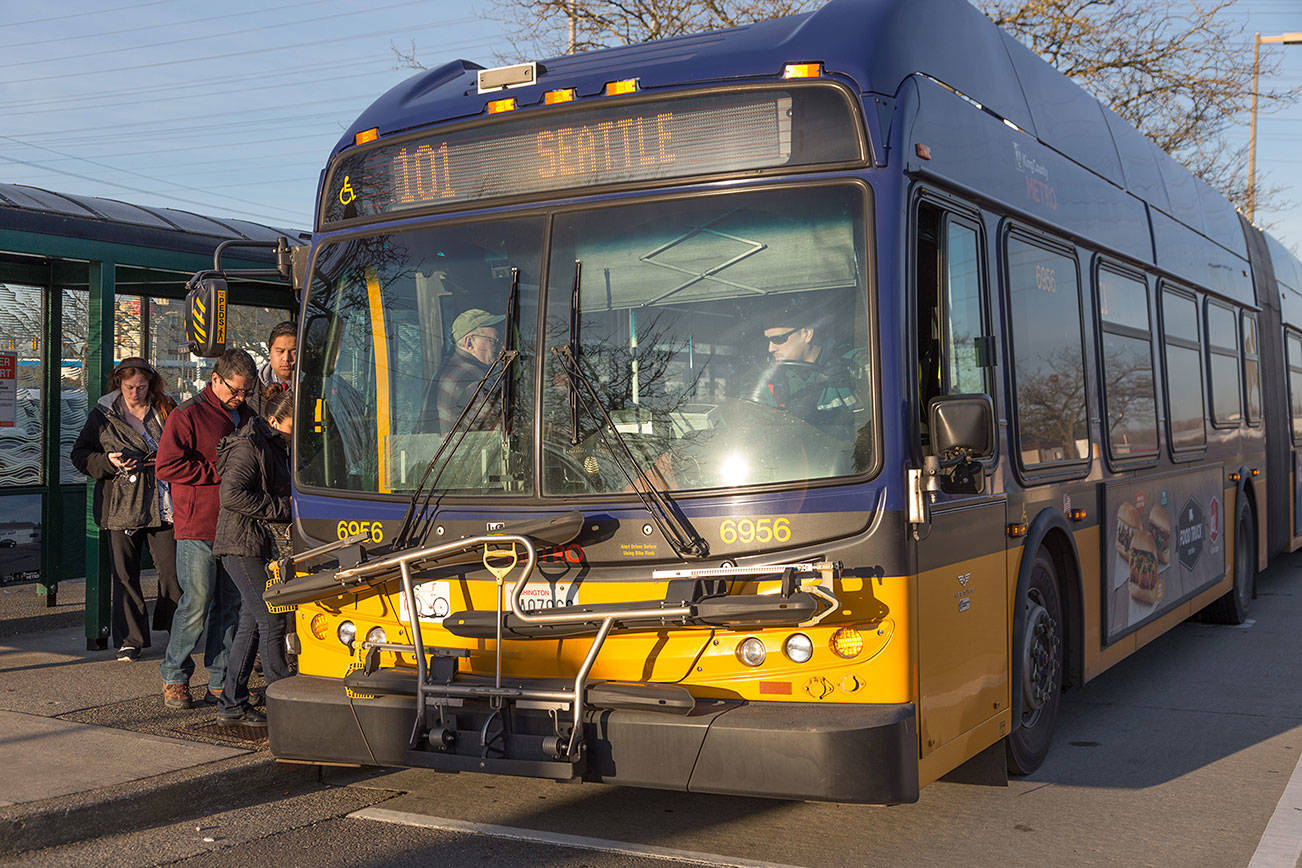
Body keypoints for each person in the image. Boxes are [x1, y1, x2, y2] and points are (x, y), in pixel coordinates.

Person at [156, 348, 258, 710]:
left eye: (246, 391)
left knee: (230, 606)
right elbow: (166, 466)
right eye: (235, 390)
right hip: (198, 525)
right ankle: (174, 675)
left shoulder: (248, 416)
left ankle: (220, 681)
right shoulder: (187, 415)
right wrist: (218, 473)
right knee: (196, 603)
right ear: (215, 379)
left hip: (236, 526)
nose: (240, 397)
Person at [70, 358, 181, 661]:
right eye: (129, 387)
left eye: (141, 386)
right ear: (118, 383)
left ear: (151, 384)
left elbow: (182, 446)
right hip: (121, 503)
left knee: (172, 573)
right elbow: (79, 454)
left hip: (163, 503)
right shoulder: (103, 414)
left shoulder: (165, 408)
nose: (135, 393)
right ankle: (131, 640)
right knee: (125, 576)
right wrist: (108, 461)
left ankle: (177, 631)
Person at [214, 388, 294, 728]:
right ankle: (282, 701)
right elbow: (231, 495)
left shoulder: (272, 444)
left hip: (252, 544)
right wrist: (282, 508)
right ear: (274, 421)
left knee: (251, 624)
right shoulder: (249, 446)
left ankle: (232, 703)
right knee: (272, 618)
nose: (295, 433)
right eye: (292, 426)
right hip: (241, 545)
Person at [756, 308, 861, 427]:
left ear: (806, 334)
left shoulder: (855, 364)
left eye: (778, 339)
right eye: (768, 340)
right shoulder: (771, 381)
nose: (771, 348)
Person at [427, 308, 504, 432]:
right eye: (495, 341)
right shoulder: (472, 378)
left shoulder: (446, 370)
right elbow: (494, 432)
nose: (502, 347)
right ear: (469, 343)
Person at [249, 320, 296, 417]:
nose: (286, 358)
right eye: (280, 351)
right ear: (270, 352)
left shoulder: (315, 388)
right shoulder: (250, 387)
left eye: (293, 352)